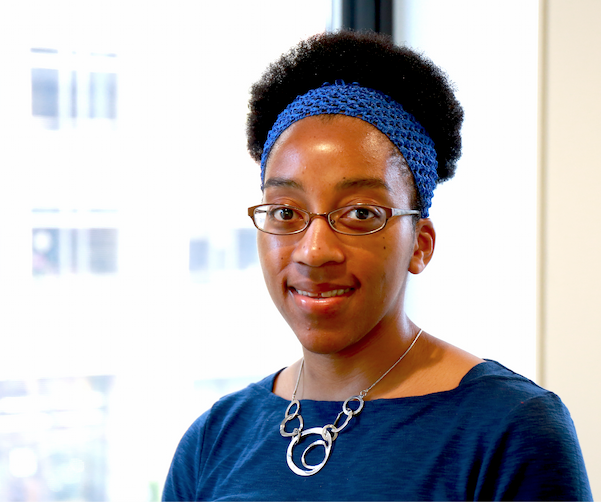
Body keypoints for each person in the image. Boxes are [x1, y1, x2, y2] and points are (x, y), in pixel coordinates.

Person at [162, 30, 592, 501]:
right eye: (286, 212)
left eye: (361, 213)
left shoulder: (510, 430)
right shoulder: (214, 440)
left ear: (420, 245)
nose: (314, 250)